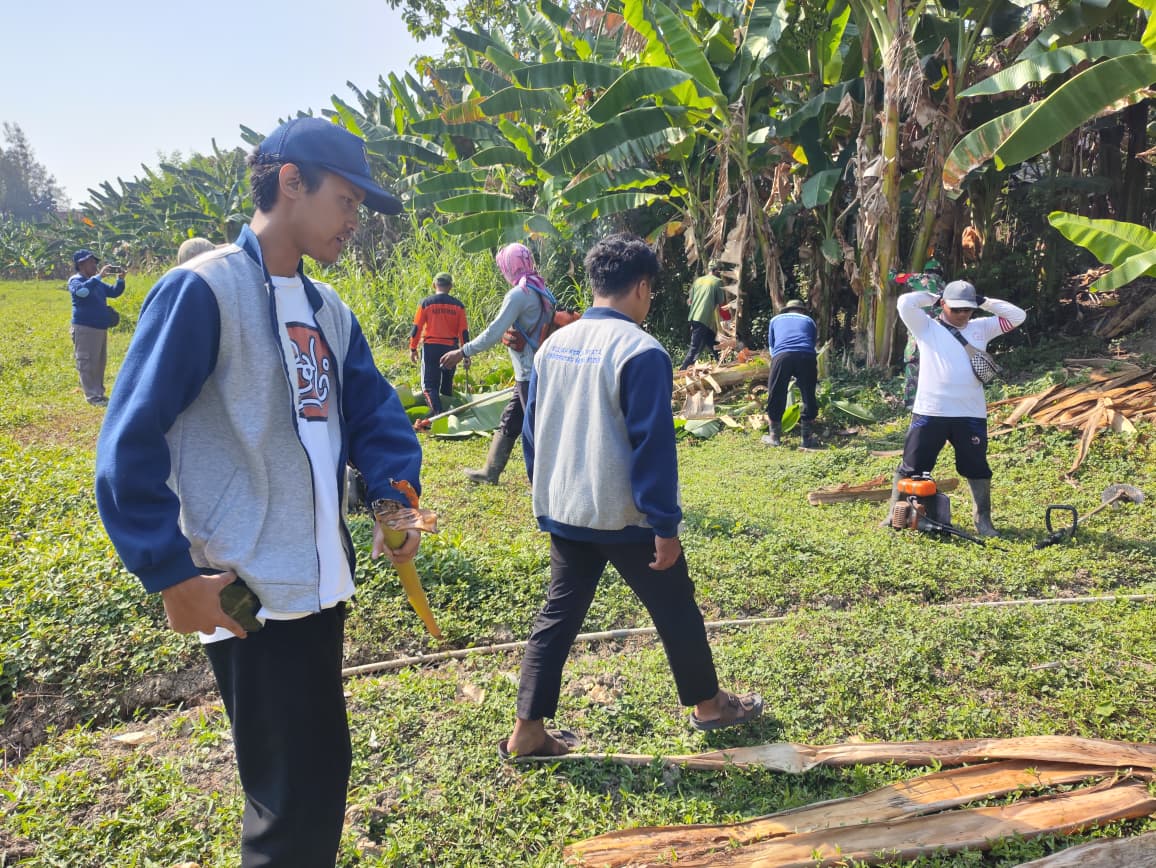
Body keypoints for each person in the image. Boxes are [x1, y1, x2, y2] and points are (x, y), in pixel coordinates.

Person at [94, 116, 422, 867]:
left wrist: (390, 498)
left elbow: (375, 417)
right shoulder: (202, 292)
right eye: (346, 200)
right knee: (284, 803)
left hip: (317, 584)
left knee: (320, 776)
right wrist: (169, 573)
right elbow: (129, 441)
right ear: (290, 181)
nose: (354, 221)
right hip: (245, 591)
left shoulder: (328, 309)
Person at [501, 233, 763, 759]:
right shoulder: (642, 350)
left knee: (558, 615)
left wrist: (545, 492)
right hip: (626, 518)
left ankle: (527, 730)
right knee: (675, 609)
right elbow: (652, 448)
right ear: (642, 287)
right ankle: (710, 707)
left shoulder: (553, 345)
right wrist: (665, 526)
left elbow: (531, 431)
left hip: (567, 511)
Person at [883, 279, 1026, 537]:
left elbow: (1017, 316)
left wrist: (983, 301)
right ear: (944, 305)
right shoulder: (926, 326)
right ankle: (894, 511)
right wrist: (936, 298)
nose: (962, 314)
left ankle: (983, 521)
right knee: (912, 465)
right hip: (930, 410)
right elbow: (905, 302)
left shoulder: (982, 327)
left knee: (976, 467)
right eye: (956, 309)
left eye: (967, 309)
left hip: (970, 413)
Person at [438, 243, 555, 485]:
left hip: (529, 372)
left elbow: (494, 332)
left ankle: (542, 485)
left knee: (536, 430)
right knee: (511, 420)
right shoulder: (541, 288)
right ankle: (490, 471)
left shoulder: (519, 294)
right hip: (536, 368)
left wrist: (463, 351)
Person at [68, 249, 126, 406]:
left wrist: (120, 279)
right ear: (81, 264)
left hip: (100, 328)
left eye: (95, 262)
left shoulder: (96, 282)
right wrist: (99, 276)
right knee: (87, 362)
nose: (95, 265)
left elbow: (114, 292)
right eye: (91, 262)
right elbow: (82, 293)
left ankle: (99, 394)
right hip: (85, 328)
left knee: (99, 362)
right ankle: (92, 396)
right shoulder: (76, 280)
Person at [761, 298, 820, 449]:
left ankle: (774, 437)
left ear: (787, 310)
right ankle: (806, 439)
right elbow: (812, 343)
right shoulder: (809, 320)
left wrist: (780, 365)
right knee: (808, 393)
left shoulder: (775, 320)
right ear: (802, 310)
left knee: (776, 392)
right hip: (806, 355)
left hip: (782, 355)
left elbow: (772, 346)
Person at [409, 271, 470, 416]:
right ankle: (447, 411)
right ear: (450, 286)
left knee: (429, 386)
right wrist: (467, 354)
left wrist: (413, 348)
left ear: (434, 285)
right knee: (447, 383)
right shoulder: (458, 306)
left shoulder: (426, 303)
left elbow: (416, 327)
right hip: (451, 349)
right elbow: (464, 332)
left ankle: (438, 414)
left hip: (431, 348)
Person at [894, 259, 947, 410]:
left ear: (927, 271)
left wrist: (892, 272)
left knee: (913, 365)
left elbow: (897, 278)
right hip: (937, 332)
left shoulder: (918, 278)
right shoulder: (946, 287)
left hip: (917, 330)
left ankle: (910, 402)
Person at [678, 259, 727, 370]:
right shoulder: (717, 282)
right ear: (718, 270)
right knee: (695, 347)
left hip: (693, 316)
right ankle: (683, 369)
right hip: (702, 318)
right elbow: (722, 305)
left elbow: (689, 301)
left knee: (711, 340)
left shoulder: (698, 281)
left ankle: (721, 361)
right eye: (720, 270)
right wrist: (728, 322)